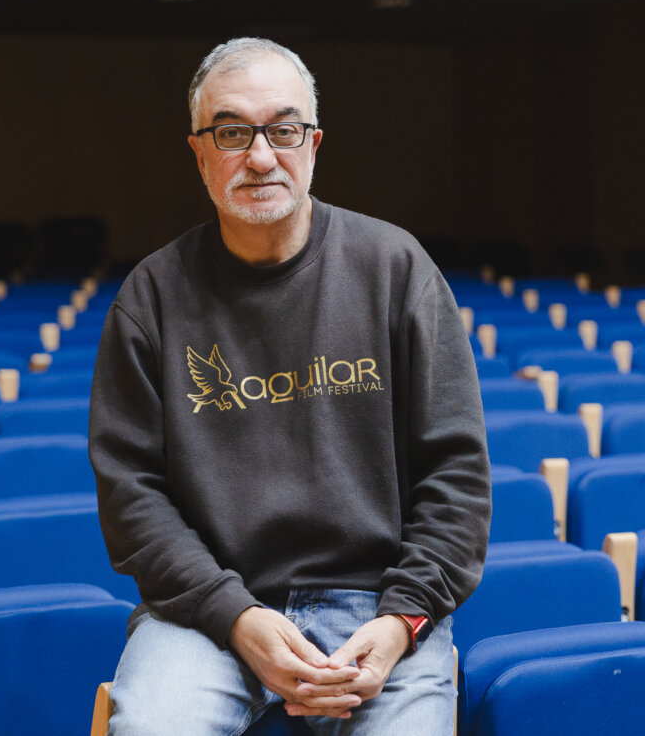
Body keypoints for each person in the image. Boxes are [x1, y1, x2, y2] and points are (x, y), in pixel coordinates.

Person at [89, 37, 491, 734]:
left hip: (379, 608)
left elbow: (455, 477)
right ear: (199, 153)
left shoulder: (397, 270)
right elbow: (133, 500)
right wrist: (237, 617)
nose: (261, 156)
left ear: (313, 143)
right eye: (232, 131)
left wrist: (401, 621)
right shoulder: (150, 297)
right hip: (208, 615)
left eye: (283, 129)